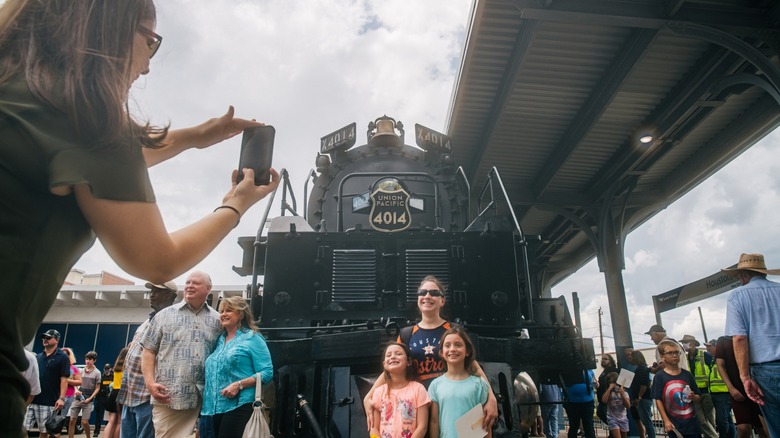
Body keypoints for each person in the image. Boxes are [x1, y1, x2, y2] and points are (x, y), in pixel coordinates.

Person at [0, 1, 281, 433]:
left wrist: (194, 136)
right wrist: (237, 203)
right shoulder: (85, 122)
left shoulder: (23, 98)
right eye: (150, 41)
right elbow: (157, 260)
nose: (147, 66)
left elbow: (95, 157)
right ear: (104, 28)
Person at [363, 275, 498, 431]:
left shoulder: (453, 330)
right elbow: (391, 368)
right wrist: (369, 395)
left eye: (434, 293)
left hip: (450, 404)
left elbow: (472, 365)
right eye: (423, 292)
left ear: (442, 301)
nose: (427, 296)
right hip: (416, 408)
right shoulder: (407, 334)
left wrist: (491, 398)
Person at [141, 271, 222, 438]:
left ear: (208, 288)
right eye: (187, 282)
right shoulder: (164, 316)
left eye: (196, 283)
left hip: (208, 398)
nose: (190, 286)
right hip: (170, 396)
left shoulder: (218, 320)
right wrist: (150, 383)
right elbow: (148, 350)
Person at [722, 253, 780, 438]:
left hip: (766, 371)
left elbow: (739, 338)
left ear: (744, 275)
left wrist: (745, 376)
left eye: (739, 276)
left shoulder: (737, 296)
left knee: (776, 425)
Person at [201, 296, 274, 438]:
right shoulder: (220, 339)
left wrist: (239, 384)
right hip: (213, 408)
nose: (223, 314)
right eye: (221, 311)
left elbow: (267, 372)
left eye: (229, 310)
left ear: (241, 314)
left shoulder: (253, 337)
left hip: (239, 405)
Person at [118, 280, 178, 438]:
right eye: (152, 291)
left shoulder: (172, 322)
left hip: (147, 395)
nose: (152, 295)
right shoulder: (147, 321)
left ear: (169, 296)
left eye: (157, 292)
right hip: (130, 393)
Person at [428, 326, 492, 438]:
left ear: (467, 351)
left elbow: (485, 422)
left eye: (458, 345)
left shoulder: (479, 384)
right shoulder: (435, 385)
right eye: (447, 345)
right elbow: (434, 421)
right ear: (442, 352)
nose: (452, 349)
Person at [368, 342, 430, 438]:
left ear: (408, 362)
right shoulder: (378, 392)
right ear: (384, 364)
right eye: (388, 355)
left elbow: (422, 427)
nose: (393, 357)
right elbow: (374, 428)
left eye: (398, 354)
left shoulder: (418, 389)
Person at [713, 336, 768, 438]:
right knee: (743, 428)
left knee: (764, 428)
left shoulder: (751, 336)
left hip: (759, 388)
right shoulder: (723, 341)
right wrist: (731, 388)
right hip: (738, 389)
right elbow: (720, 365)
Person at [653, 339, 702, 438]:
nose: (674, 355)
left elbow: (698, 397)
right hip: (674, 426)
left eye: (676, 352)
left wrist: (694, 397)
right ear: (662, 357)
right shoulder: (659, 377)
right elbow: (658, 400)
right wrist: (666, 420)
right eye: (670, 353)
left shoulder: (687, 375)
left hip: (692, 424)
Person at [24, 329, 69, 438]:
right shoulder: (38, 357)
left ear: (57, 340)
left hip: (48, 401)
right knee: (22, 428)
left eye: (48, 338)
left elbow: (64, 379)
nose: (45, 339)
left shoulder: (62, 357)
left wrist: (61, 398)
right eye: (44, 338)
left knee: (44, 431)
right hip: (31, 398)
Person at [681, 335, 717, 438]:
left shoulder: (704, 355)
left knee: (710, 419)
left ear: (692, 343)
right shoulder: (685, 358)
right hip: (694, 393)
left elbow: (713, 369)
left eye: (685, 342)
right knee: (701, 420)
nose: (683, 344)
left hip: (706, 391)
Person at [704, 339, 736, 438]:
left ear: (717, 347)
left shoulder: (723, 360)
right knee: (728, 419)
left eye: (710, 346)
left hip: (723, 393)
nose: (708, 349)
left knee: (722, 420)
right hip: (715, 393)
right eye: (707, 346)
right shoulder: (714, 359)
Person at [68, 351, 101, 438]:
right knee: (72, 420)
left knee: (85, 422)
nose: (88, 361)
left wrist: (91, 398)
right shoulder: (80, 371)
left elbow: (97, 388)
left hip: (88, 399)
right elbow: (74, 383)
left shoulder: (97, 373)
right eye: (86, 359)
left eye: (90, 359)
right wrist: (76, 390)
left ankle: (88, 436)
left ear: (94, 360)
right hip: (78, 398)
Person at [562, 368, 597, 438]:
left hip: (587, 401)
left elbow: (594, 381)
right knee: (574, 426)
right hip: (572, 401)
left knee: (588, 426)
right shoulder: (567, 370)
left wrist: (595, 384)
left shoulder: (589, 370)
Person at [629, 351, 655, 438]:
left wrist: (639, 397)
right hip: (643, 398)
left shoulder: (642, 370)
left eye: (631, 356)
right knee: (645, 421)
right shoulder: (642, 369)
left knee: (647, 422)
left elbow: (644, 385)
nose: (629, 358)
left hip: (643, 399)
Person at [104, 348, 129, 438]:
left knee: (111, 421)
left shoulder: (116, 367)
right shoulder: (127, 367)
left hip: (114, 393)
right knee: (119, 422)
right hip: (122, 394)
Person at [601, 372, 630, 438]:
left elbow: (628, 406)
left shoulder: (624, 393)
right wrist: (609, 389)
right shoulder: (609, 393)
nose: (613, 384)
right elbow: (604, 401)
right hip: (612, 418)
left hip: (623, 418)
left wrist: (622, 395)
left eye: (614, 382)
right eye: (610, 382)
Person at [60, 348, 82, 423]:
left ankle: (57, 433)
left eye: (66, 354)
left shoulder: (73, 369)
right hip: (55, 394)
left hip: (68, 395)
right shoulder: (56, 366)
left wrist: (66, 380)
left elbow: (79, 382)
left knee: (60, 419)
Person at [597, 354, 619, 424]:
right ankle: (613, 431)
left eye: (605, 359)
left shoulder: (612, 370)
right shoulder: (605, 371)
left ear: (611, 361)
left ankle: (615, 431)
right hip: (602, 397)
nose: (603, 360)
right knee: (600, 413)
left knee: (607, 415)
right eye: (602, 359)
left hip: (609, 398)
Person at [93, 364, 113, 437]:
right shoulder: (101, 377)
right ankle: (96, 432)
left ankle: (108, 431)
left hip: (109, 398)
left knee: (108, 417)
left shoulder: (113, 377)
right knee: (99, 416)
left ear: (110, 369)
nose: (107, 370)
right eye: (105, 368)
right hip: (101, 398)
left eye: (108, 368)